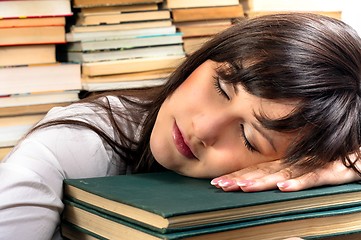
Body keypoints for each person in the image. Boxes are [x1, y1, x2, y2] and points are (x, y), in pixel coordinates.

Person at [0, 13, 361, 240]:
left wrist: (349, 161)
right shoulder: (76, 141)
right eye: (221, 88)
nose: (204, 128)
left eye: (249, 138)